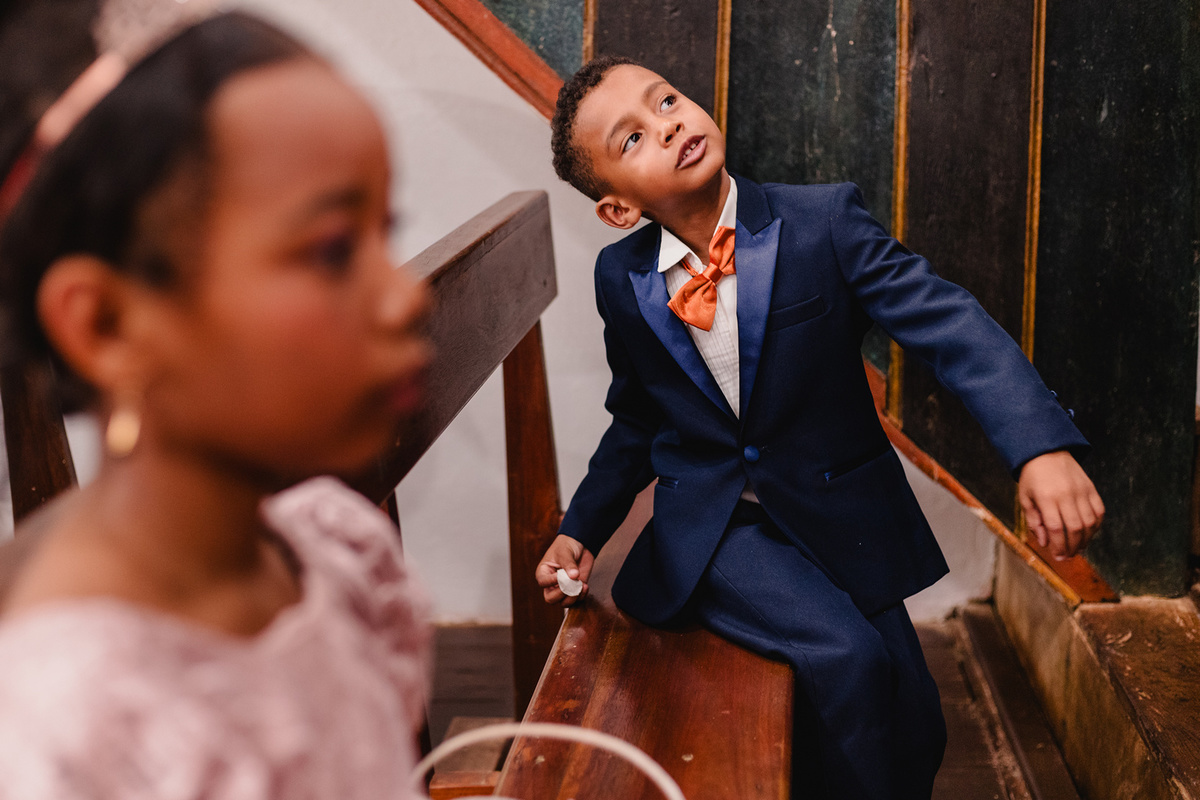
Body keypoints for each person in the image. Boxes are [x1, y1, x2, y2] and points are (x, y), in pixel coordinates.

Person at [535, 56, 1105, 800]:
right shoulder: (623, 279)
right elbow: (638, 419)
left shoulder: (823, 222)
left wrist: (1041, 447)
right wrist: (581, 525)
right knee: (846, 661)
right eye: (633, 137)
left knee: (916, 716)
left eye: (666, 99)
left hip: (834, 513)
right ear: (617, 208)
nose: (669, 122)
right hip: (717, 531)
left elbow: (951, 326)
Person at [0, 10, 433, 797]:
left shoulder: (337, 561)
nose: (405, 297)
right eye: (334, 249)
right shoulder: (69, 725)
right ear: (106, 323)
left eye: (386, 230)